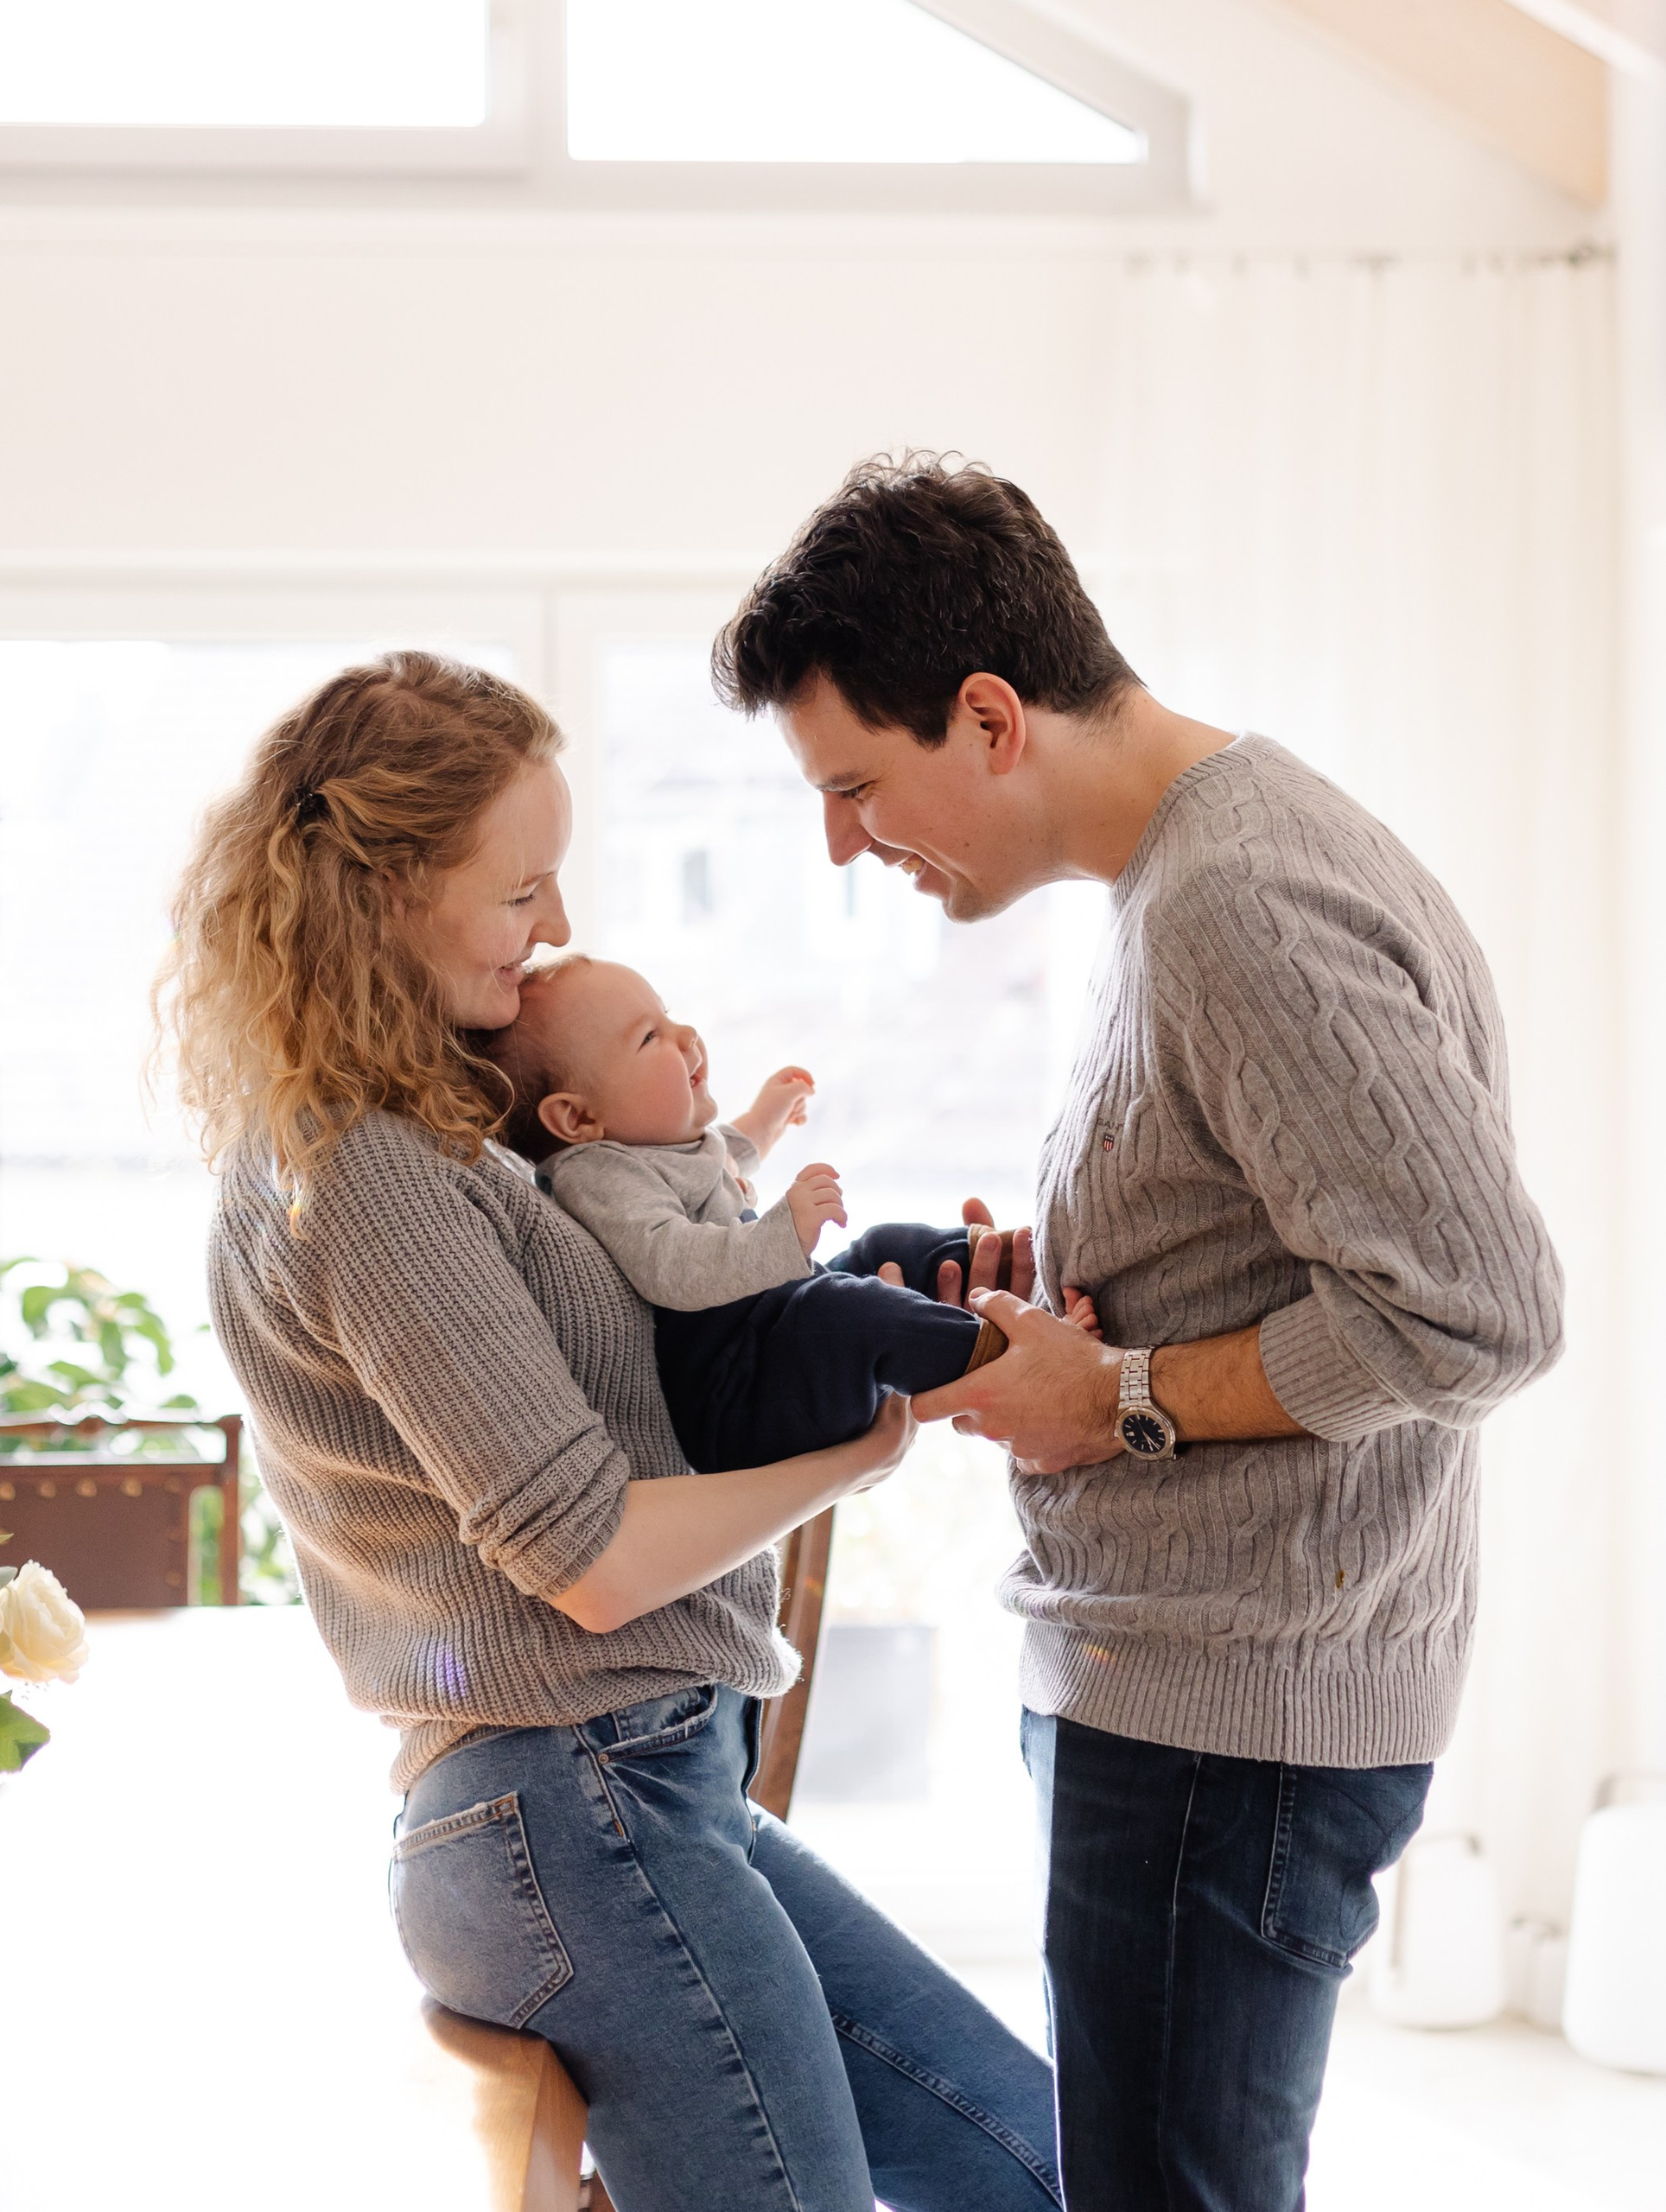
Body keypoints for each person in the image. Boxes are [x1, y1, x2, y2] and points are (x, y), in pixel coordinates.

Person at [715, 456, 1567, 2212]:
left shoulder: (1233, 903)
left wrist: (1111, 1397)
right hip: (1192, 1707)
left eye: (858, 785)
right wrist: (1086, 1272)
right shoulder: (1186, 879)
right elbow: (1284, 1218)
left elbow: (1476, 1310)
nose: (842, 842)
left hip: (1218, 1729)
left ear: (987, 714)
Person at [160, 651, 1061, 2212]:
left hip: (630, 1793)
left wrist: (865, 1299)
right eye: (524, 891)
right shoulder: (365, 1173)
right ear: (383, 892)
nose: (559, 929)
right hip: (577, 1801)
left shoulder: (436, 1140)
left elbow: (661, 1361)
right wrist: (859, 1457)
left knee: (1036, 2162)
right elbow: (587, 1558)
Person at [475, 951, 1032, 1472]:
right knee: (852, 1313)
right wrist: (781, 1232)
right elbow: (670, 1263)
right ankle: (1017, 1367)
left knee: (886, 1248)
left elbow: (722, 1153)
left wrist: (767, 1116)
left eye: (667, 1016)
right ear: (576, 1120)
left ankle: (1019, 1273)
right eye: (650, 1037)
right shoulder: (597, 1176)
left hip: (775, 1327)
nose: (687, 1035)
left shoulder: (649, 1147)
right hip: (739, 1392)